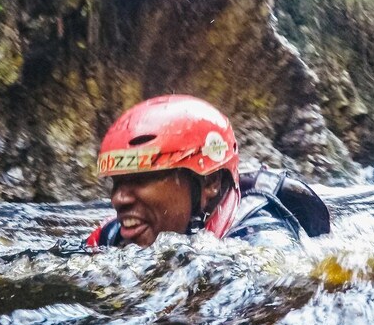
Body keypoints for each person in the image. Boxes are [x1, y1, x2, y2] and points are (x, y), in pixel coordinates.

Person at [86, 95, 330, 249]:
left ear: (210, 182)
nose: (118, 198)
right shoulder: (111, 236)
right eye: (116, 182)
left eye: (140, 179)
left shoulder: (261, 238)